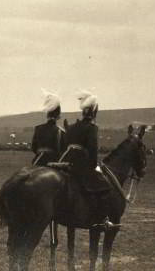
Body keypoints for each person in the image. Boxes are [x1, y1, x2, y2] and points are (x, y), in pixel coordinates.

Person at [61, 91, 113, 222]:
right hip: (81, 164)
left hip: (65, 160)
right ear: (94, 111)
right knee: (105, 185)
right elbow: (93, 150)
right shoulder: (92, 128)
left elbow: (65, 145)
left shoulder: (72, 127)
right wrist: (94, 165)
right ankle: (102, 219)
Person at [31, 90, 66, 166]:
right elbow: (62, 150)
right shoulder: (60, 131)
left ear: (47, 114)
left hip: (38, 161)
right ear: (58, 116)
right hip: (53, 162)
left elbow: (33, 147)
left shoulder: (38, 128)